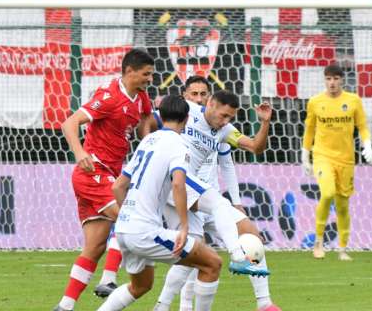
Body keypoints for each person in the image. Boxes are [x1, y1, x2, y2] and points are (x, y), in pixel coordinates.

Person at [152, 84, 279, 311]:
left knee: (248, 233)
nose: (224, 121)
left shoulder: (225, 131)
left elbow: (256, 148)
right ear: (210, 103)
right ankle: (237, 255)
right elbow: (152, 117)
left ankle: (265, 303)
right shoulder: (187, 111)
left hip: (200, 191)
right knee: (217, 209)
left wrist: (265, 122)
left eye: (229, 117)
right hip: (175, 183)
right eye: (223, 115)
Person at [97, 95, 224, 311]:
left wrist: (128, 216)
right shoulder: (179, 145)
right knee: (212, 263)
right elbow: (178, 185)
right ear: (185, 120)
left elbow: (118, 186)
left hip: (124, 230)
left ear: (161, 116)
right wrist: (184, 227)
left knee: (141, 286)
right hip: (144, 232)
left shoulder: (148, 140)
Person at [53, 48, 155, 311]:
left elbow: (144, 121)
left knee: (95, 246)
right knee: (128, 217)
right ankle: (109, 279)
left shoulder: (142, 98)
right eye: (146, 74)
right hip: (93, 172)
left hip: (111, 174)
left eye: (151, 74)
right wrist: (80, 152)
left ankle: (64, 306)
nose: (149, 79)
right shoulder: (109, 97)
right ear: (129, 71)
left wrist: (151, 139)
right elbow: (69, 123)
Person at [301, 64, 372, 261]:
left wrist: (367, 145)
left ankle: (342, 248)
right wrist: (304, 156)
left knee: (342, 205)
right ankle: (318, 241)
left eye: (335, 78)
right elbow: (309, 130)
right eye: (328, 79)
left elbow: (362, 127)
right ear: (324, 80)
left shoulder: (353, 101)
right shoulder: (316, 102)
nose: (332, 83)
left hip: (346, 159)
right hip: (322, 156)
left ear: (342, 79)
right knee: (327, 193)